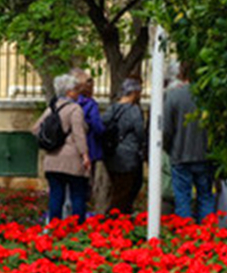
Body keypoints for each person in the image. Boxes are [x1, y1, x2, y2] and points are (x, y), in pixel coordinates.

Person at [33, 72, 90, 224]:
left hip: (52, 159)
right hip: (72, 160)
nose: (78, 93)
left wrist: (52, 141)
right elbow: (79, 134)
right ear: (69, 92)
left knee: (55, 196)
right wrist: (85, 155)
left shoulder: (51, 108)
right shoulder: (74, 109)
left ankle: (54, 228)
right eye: (76, 89)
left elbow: (36, 128)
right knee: (77, 194)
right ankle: (78, 229)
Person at [163, 61, 215, 222]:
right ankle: (208, 234)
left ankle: (185, 237)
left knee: (182, 199)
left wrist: (169, 149)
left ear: (181, 74)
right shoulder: (209, 96)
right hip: (205, 154)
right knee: (205, 196)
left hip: (180, 155)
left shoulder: (173, 96)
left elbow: (166, 130)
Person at [101, 78, 147, 216]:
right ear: (134, 92)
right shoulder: (134, 111)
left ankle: (118, 218)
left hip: (110, 155)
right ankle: (114, 219)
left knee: (117, 188)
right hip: (128, 157)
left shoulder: (112, 109)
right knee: (124, 192)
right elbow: (140, 133)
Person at [71, 68, 106, 211]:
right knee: (85, 186)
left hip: (71, 149)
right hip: (89, 149)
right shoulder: (91, 105)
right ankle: (80, 216)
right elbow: (98, 127)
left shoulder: (69, 103)